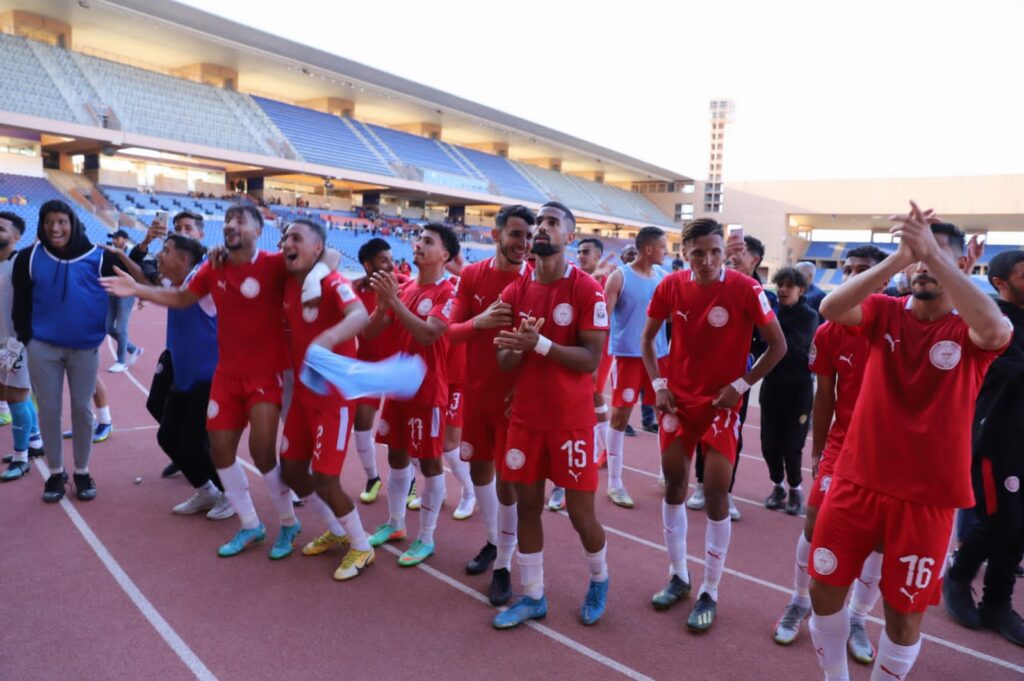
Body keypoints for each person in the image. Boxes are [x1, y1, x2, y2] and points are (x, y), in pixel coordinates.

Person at [808, 206, 1011, 681]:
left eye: (937, 257)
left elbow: (998, 331)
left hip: (929, 498)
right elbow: (831, 308)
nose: (924, 265)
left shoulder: (971, 326)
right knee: (823, 588)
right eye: (918, 257)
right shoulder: (883, 311)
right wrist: (903, 257)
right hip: (858, 480)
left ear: (961, 266)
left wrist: (932, 257)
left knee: (903, 613)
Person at [102, 205, 339, 558]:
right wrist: (139, 288)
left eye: (240, 220)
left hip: (264, 376)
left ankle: (288, 522)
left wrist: (317, 278)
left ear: (259, 231)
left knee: (262, 453)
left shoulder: (276, 263)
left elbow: (330, 254)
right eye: (228, 220)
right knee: (220, 452)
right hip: (226, 378)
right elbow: (182, 297)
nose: (231, 225)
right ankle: (250, 524)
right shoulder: (214, 266)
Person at [642, 218, 785, 632]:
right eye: (697, 252)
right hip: (678, 402)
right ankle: (678, 575)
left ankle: (710, 589)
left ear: (727, 253)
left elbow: (779, 347)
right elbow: (648, 339)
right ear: (683, 253)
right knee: (674, 485)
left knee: (717, 492)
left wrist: (740, 386)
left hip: (721, 404)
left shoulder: (745, 288)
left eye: (715, 251)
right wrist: (659, 383)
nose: (707, 260)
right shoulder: (670, 286)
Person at [491, 201, 611, 629]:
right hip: (525, 419)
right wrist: (517, 346)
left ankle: (599, 578)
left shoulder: (586, 290)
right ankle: (534, 595)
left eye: (551, 223)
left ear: (568, 236)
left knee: (581, 516)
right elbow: (505, 360)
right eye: (539, 222)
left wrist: (539, 344)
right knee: (527, 508)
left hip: (571, 422)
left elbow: (590, 359)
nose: (541, 228)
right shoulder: (517, 289)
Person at [771, 245, 888, 661]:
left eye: (865, 271)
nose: (856, 277)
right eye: (850, 270)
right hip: (843, 445)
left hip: (889, 452)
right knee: (814, 522)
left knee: (878, 541)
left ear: (885, 278)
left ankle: (858, 615)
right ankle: (799, 600)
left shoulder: (901, 324)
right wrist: (818, 450)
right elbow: (825, 397)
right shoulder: (829, 329)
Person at [275, 219, 376, 581]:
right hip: (303, 396)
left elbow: (360, 315)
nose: (286, 243)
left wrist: (328, 340)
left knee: (326, 479)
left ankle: (362, 546)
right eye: (284, 237)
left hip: (333, 398)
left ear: (315, 248)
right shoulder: (288, 279)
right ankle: (335, 528)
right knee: (291, 469)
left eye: (295, 238)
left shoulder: (333, 282)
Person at [447, 204, 533, 605]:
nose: (523, 244)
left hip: (517, 401)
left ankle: (503, 563)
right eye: (516, 234)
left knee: (508, 480)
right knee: (478, 469)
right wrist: (479, 322)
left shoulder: (535, 281)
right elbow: (451, 332)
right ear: (496, 235)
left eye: (528, 237)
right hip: (477, 393)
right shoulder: (472, 275)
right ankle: (491, 540)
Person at [12, 200, 122, 502]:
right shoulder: (29, 258)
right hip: (43, 348)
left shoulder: (98, 257)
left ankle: (83, 471)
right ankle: (57, 473)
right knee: (48, 410)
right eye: (49, 222)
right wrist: (28, 338)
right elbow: (20, 302)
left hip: (84, 349)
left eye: (61, 221)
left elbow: (137, 273)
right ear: (42, 225)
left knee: (82, 411)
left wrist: (143, 248)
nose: (55, 228)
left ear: (72, 223)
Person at [364, 223, 460, 568]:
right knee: (396, 455)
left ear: (444, 256)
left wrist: (394, 303)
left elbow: (428, 335)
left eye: (427, 241)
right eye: (418, 239)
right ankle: (395, 523)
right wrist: (380, 306)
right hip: (400, 389)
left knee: (431, 463)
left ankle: (427, 537)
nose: (418, 244)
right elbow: (372, 331)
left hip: (428, 392)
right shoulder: (404, 289)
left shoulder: (448, 293)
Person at [944, 249, 1024, 647]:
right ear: (1000, 283)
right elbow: (1006, 366)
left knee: (1020, 527)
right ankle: (958, 577)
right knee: (999, 522)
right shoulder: (992, 321)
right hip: (996, 440)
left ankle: (997, 602)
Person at [140, 234, 234, 520]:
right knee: (167, 437)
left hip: (209, 380)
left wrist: (221, 255)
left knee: (192, 443)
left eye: (166, 251)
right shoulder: (177, 282)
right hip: (183, 378)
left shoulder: (202, 283)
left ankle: (230, 494)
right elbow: (151, 280)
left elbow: (219, 273)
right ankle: (207, 490)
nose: (159, 255)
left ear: (184, 259)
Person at [687, 234, 779, 521]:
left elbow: (770, 341)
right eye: (734, 250)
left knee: (731, 436)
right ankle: (701, 485)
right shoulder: (713, 285)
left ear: (757, 260)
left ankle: (726, 490)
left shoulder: (764, 295)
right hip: (702, 372)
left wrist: (743, 369)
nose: (737, 256)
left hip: (739, 376)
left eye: (745, 252)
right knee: (699, 428)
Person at [128, 210, 206, 479]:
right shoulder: (175, 263)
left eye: (187, 228)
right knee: (157, 405)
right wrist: (147, 241)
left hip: (200, 357)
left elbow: (152, 277)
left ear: (200, 234)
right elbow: (145, 268)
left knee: (192, 423)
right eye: (177, 228)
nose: (180, 232)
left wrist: (147, 284)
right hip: (175, 349)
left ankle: (195, 461)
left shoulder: (203, 268)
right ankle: (186, 454)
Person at [602, 226, 670, 508]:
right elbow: (603, 321)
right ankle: (615, 483)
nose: (667, 252)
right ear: (649, 249)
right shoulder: (619, 278)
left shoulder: (666, 279)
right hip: (629, 357)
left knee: (666, 414)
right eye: (663, 247)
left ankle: (667, 474)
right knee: (620, 416)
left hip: (660, 358)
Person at [548, 236, 616, 512]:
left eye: (588, 252)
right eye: (581, 251)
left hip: (595, 350)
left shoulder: (604, 282)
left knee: (590, 397)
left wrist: (598, 280)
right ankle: (600, 449)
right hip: (563, 351)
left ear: (599, 255)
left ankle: (567, 480)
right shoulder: (564, 279)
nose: (582, 256)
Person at [351, 238, 412, 505]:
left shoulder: (404, 283)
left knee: (402, 431)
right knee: (361, 424)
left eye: (391, 259)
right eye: (383, 260)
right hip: (367, 366)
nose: (390, 265)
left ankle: (409, 484)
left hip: (399, 365)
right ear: (368, 265)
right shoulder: (353, 290)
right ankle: (372, 478)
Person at [761, 267, 819, 516]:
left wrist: (768, 338)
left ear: (801, 290)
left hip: (798, 389)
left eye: (788, 286)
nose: (782, 290)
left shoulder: (808, 316)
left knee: (792, 445)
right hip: (772, 386)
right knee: (768, 444)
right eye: (779, 285)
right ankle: (778, 486)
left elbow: (790, 347)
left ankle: (796, 488)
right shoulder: (771, 313)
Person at [0, 212, 44, 482]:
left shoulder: (21, 263)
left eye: (1, 228)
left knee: (15, 396)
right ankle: (35, 442)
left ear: (16, 236)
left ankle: (20, 458)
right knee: (10, 394)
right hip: (1, 341)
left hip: (18, 342)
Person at [106, 229, 143, 373]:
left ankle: (121, 362)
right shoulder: (110, 253)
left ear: (125, 240)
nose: (115, 240)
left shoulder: (132, 255)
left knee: (121, 328)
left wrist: (142, 296)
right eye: (114, 238)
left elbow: (139, 274)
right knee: (107, 327)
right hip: (112, 292)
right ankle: (133, 349)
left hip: (127, 294)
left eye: (117, 238)